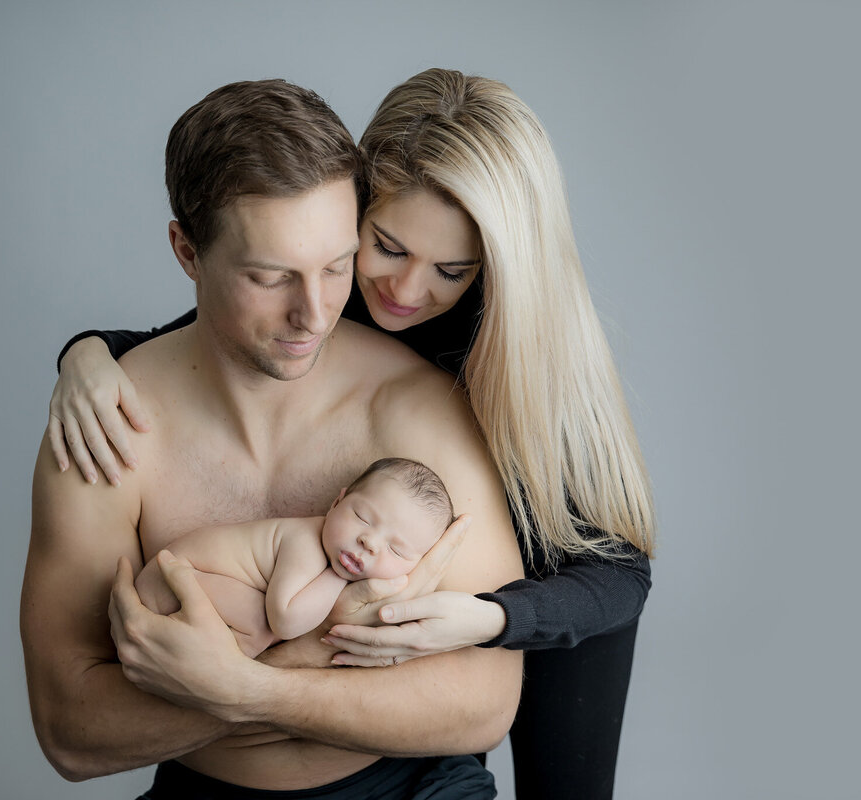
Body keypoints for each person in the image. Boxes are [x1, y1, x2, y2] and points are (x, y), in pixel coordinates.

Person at [49, 67, 657, 799]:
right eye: (385, 247)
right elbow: (207, 320)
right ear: (355, 212)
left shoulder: (522, 352)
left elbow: (618, 574)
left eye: (450, 269)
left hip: (557, 605)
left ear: (493, 267)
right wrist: (85, 353)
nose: (403, 291)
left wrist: (492, 617)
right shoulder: (327, 296)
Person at [134, 457, 457, 659]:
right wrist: (336, 576)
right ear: (337, 501)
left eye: (396, 549)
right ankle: (226, 672)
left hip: (183, 583)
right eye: (362, 517)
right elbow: (287, 622)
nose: (369, 541)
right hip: (170, 579)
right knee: (264, 628)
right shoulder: (304, 543)